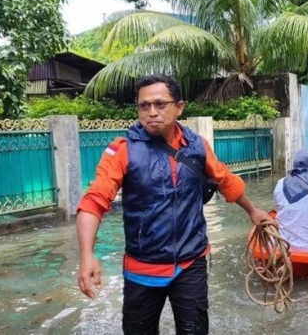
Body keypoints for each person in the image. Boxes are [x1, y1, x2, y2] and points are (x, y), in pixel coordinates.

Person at [75, 74, 271, 335]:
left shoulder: (197, 147)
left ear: (179, 107)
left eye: (160, 104)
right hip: (142, 267)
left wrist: (253, 211)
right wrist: (87, 256)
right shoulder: (123, 150)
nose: (152, 112)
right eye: (144, 106)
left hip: (191, 262)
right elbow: (94, 201)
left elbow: (225, 180)